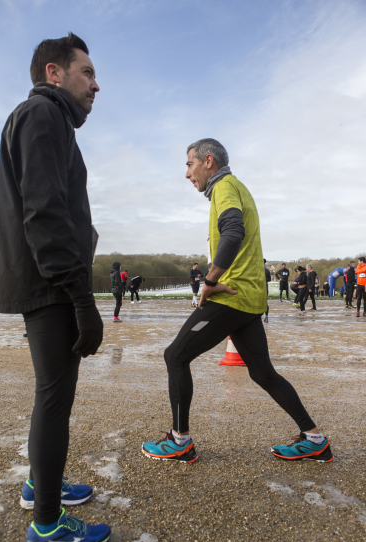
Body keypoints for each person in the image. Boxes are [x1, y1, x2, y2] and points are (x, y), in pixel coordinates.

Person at [0, 33, 110, 542]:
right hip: (51, 284)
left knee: (50, 395)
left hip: (45, 279)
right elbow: (45, 211)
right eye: (86, 72)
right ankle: (47, 529)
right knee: (54, 398)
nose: (96, 83)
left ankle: (43, 488)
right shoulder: (42, 115)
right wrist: (81, 296)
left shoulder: (44, 118)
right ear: (54, 73)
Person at [142, 138, 333, 464]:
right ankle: (315, 439)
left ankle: (179, 441)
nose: (187, 173)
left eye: (189, 164)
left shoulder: (225, 188)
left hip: (231, 295)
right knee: (263, 374)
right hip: (248, 298)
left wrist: (210, 281)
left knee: (175, 356)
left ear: (208, 161)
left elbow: (233, 232)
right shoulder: (233, 187)